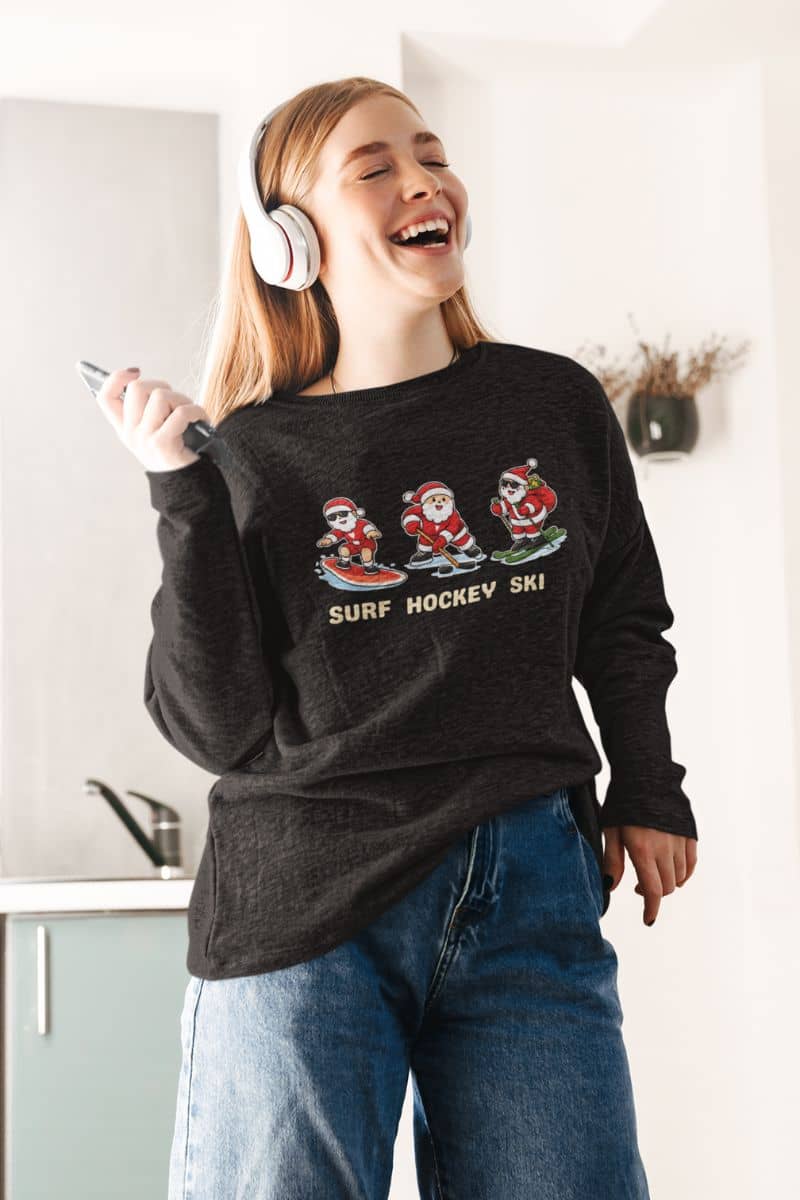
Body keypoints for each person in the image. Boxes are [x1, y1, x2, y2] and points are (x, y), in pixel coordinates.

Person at [96, 76, 698, 1200]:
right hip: (305, 901)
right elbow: (215, 727)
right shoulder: (245, 457)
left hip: (529, 880)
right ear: (289, 242)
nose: (424, 181)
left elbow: (622, 617)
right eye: (375, 168)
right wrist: (180, 491)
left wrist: (649, 785)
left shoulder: (554, 403)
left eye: (431, 156)